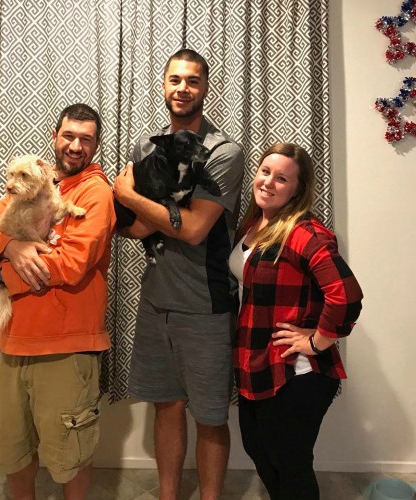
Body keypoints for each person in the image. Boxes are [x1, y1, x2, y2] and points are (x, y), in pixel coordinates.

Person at [0, 103, 115, 500]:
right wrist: (9, 245)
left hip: (67, 345)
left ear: (96, 145)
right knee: (12, 449)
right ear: (54, 137)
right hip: (14, 342)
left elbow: (70, 264)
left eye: (86, 139)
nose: (76, 146)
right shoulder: (31, 184)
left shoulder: (96, 192)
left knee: (70, 455)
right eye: (69, 135)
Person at [113, 49, 244, 500]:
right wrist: (159, 205)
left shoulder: (223, 151)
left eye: (192, 81)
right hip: (155, 301)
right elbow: (131, 229)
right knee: (166, 405)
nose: (182, 88)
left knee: (209, 415)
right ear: (163, 85)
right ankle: (168, 494)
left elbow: (193, 230)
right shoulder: (144, 147)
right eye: (174, 80)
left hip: (205, 305)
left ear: (205, 88)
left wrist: (134, 197)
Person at [229, 143, 363, 500]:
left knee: (291, 463)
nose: (269, 182)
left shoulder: (304, 232)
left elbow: (347, 294)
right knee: (261, 452)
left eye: (282, 178)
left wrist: (318, 340)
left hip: (296, 372)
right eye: (265, 172)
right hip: (257, 363)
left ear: (296, 189)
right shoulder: (254, 225)